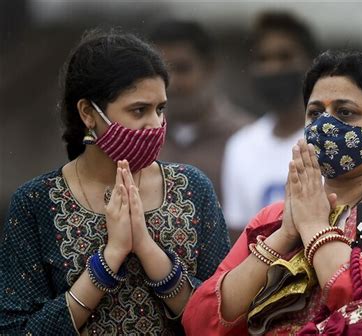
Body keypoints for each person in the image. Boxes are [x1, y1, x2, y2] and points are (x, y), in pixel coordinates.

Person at [182, 50, 362, 335]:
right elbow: (200, 321)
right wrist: (284, 235)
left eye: (345, 112)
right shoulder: (274, 217)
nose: (325, 125)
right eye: (315, 113)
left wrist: (314, 227)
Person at [0, 29, 230, 335]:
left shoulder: (191, 188)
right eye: (139, 110)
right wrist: (107, 262)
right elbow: (17, 330)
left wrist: (149, 251)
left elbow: (223, 314)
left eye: (160, 109)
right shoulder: (36, 203)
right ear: (88, 113)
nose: (155, 125)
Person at [222, 11, 319, 243]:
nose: (273, 68)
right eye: (263, 59)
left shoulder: (331, 140)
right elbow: (239, 237)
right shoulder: (240, 146)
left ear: (311, 63)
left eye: (285, 57)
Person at [149, 20, 253, 200]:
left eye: (182, 69)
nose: (172, 83)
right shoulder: (138, 137)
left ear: (210, 68)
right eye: (161, 72)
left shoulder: (248, 138)